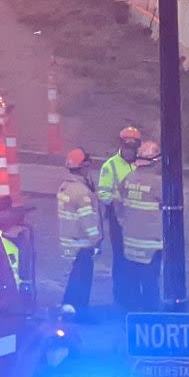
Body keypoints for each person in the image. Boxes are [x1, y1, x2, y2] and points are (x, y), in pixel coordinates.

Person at [116, 140, 164, 310]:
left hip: (130, 243)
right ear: (156, 162)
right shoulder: (159, 184)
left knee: (133, 284)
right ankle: (150, 320)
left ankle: (132, 318)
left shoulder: (128, 179)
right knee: (150, 285)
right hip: (151, 245)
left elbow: (118, 207)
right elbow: (179, 208)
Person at [56, 148, 101, 313]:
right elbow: (88, 221)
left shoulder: (65, 187)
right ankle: (79, 311)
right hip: (82, 244)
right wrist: (96, 240)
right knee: (81, 279)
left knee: (72, 276)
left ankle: (68, 306)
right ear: (83, 167)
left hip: (68, 240)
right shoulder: (82, 192)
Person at [98, 127, 141, 298]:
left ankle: (135, 293)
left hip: (137, 219)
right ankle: (121, 295)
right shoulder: (110, 166)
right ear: (121, 145)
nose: (130, 151)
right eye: (127, 147)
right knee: (121, 257)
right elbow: (103, 194)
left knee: (136, 257)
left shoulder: (140, 164)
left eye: (133, 148)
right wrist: (118, 201)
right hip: (118, 218)